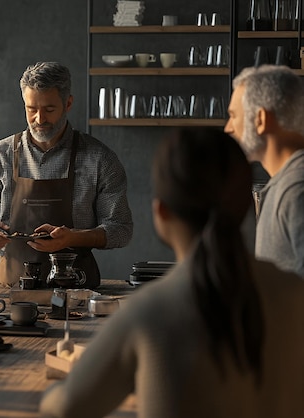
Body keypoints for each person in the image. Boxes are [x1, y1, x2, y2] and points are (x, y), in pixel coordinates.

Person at [39, 128, 304, 418]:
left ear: (160, 212)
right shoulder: (295, 292)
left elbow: (65, 408)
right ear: (245, 207)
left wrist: (59, 387)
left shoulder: (148, 312)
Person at [0, 62, 133, 288]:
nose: (39, 119)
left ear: (68, 103)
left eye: (49, 109)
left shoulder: (100, 158)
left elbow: (120, 229)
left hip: (77, 288)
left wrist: (72, 238)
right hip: (12, 290)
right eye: (31, 109)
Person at [225, 64, 304, 278]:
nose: (228, 128)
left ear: (260, 120)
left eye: (233, 116)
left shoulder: (297, 190)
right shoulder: (285, 183)